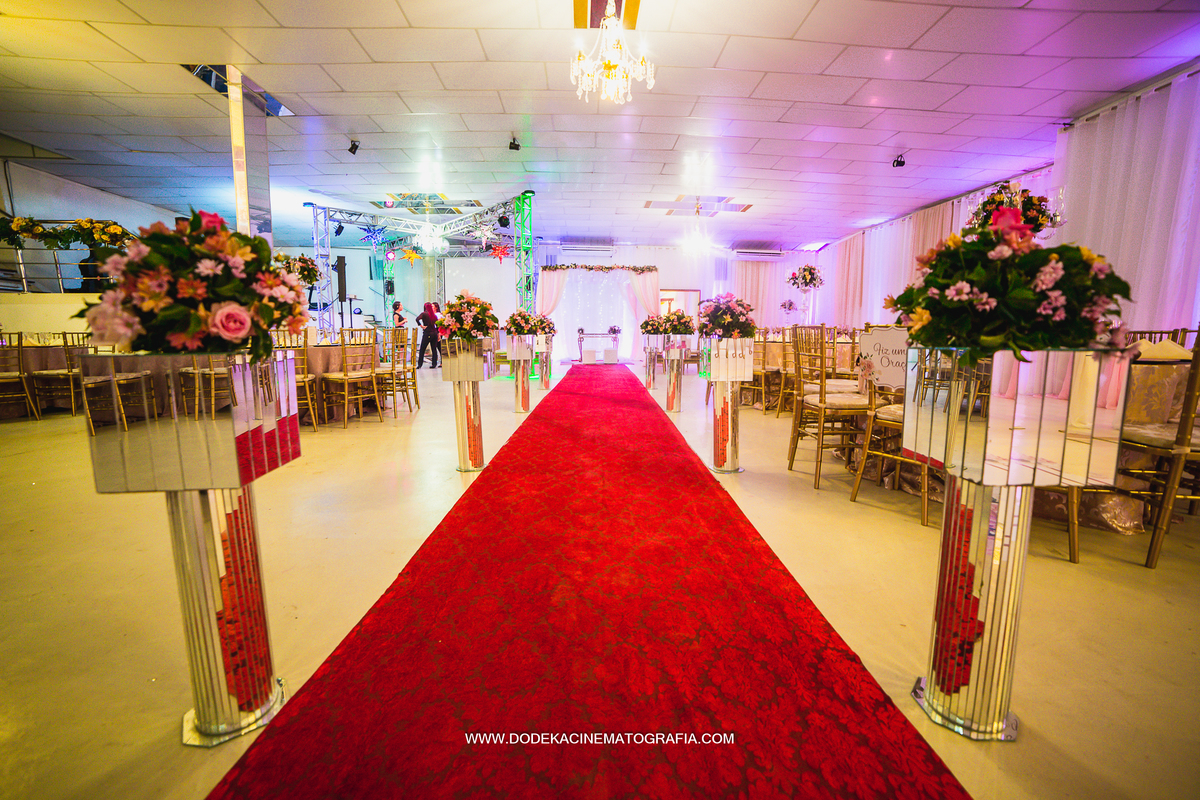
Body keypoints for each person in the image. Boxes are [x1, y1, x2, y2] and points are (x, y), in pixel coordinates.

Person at [415, 302, 440, 368]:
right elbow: (437, 325)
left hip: (427, 333)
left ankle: (420, 364)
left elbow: (417, 319)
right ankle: (434, 364)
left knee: (422, 349)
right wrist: (438, 333)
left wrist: (421, 326)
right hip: (434, 333)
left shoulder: (424, 314)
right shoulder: (434, 315)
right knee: (434, 349)